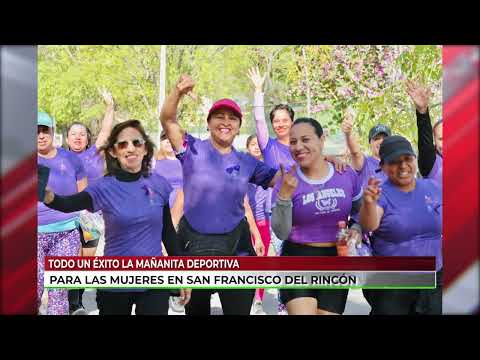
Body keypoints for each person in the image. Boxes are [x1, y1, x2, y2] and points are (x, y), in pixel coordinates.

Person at [40, 119, 191, 315]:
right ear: (113, 151)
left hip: (154, 279)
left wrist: (182, 275)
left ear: (145, 149)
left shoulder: (159, 183)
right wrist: (48, 196)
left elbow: (168, 234)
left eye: (137, 142)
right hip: (114, 280)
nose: (130, 148)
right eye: (122, 144)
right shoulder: (104, 186)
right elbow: (69, 204)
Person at [160, 74, 281, 315]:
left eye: (232, 118)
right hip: (193, 244)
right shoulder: (190, 148)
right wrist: (178, 91)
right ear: (209, 122)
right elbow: (167, 118)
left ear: (238, 126)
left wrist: (320, 161)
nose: (225, 122)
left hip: (237, 246)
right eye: (219, 116)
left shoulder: (248, 162)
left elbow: (285, 182)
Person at [271, 118, 363, 315]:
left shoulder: (345, 173)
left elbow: (359, 213)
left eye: (305, 139)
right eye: (293, 142)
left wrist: (355, 230)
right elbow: (280, 231)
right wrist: (285, 197)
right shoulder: (286, 181)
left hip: (336, 260)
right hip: (297, 258)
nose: (298, 147)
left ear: (322, 140)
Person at [359, 135, 442, 315]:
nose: (403, 166)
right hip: (394, 283)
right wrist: (368, 203)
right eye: (395, 162)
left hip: (434, 279)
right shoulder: (379, 193)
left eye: (407, 159)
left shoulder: (432, 187)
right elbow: (369, 225)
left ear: (415, 159)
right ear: (383, 166)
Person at [65, 89, 115, 315]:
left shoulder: (95, 153)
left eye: (82, 134)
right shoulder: (58, 158)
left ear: (88, 139)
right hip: (66, 216)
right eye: (73, 134)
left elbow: (106, 130)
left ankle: (76, 300)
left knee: (86, 260)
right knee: (71, 257)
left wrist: (110, 106)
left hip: (90, 216)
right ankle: (74, 304)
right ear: (67, 138)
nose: (77, 137)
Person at [37, 111, 87, 315]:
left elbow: (84, 195)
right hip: (31, 234)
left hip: (66, 233)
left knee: (58, 291)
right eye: (35, 131)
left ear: (53, 132)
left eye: (44, 130)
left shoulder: (71, 159)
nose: (40, 135)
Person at [245, 135, 273, 315]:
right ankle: (245, 299)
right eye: (252, 145)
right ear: (247, 148)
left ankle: (257, 301)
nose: (256, 147)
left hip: (263, 223)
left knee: (261, 264)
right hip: (244, 224)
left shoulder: (268, 170)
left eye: (258, 145)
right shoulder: (241, 167)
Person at [405, 80, 442, 186]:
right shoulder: (431, 162)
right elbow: (425, 141)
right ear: (435, 141)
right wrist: (422, 112)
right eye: (441, 139)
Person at [341, 112, 391, 188]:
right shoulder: (365, 162)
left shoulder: (397, 163)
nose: (381, 141)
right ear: (370, 143)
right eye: (376, 139)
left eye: (385, 138)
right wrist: (348, 134)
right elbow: (356, 153)